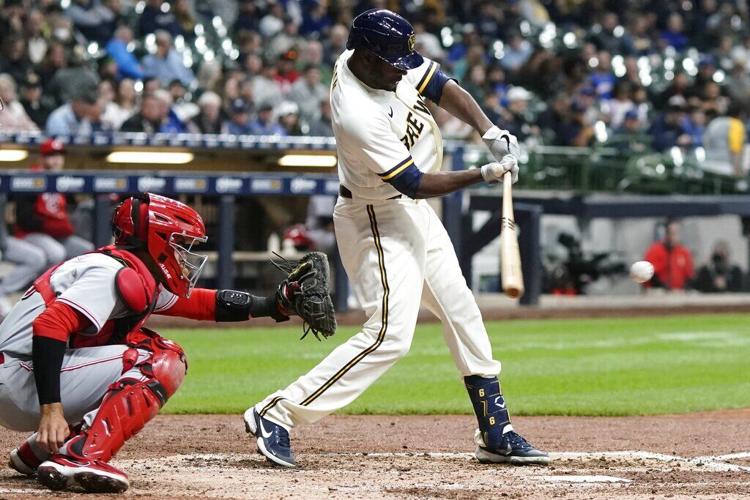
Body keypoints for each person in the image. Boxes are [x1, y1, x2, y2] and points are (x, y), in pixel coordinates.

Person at [245, 9, 547, 469]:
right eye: (393, 65)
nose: (402, 71)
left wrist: (489, 132)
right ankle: (277, 412)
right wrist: (484, 173)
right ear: (366, 58)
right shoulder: (356, 113)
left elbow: (441, 85)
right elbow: (415, 182)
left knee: (460, 309)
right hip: (377, 215)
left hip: (410, 211)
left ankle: (495, 429)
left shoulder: (380, 59)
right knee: (390, 334)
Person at [0, 193, 311, 493]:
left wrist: (276, 304)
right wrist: (51, 410)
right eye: (178, 243)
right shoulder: (111, 272)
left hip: (19, 377)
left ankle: (40, 451)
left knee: (140, 345)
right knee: (159, 358)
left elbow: (203, 304)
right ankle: (82, 455)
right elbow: (50, 325)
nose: (183, 253)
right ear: (156, 240)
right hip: (22, 378)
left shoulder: (133, 268)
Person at [14, 139, 95, 267]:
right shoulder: (31, 179)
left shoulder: (62, 181)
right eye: (51, 156)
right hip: (32, 234)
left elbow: (73, 205)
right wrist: (50, 226)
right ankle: (40, 285)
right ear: (41, 159)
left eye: (59, 155)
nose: (57, 160)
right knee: (57, 253)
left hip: (56, 235)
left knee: (89, 251)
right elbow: (24, 218)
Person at [643, 219, 694, 291]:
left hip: (678, 293)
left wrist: (684, 289)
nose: (674, 236)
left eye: (677, 233)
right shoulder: (654, 251)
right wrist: (663, 287)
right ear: (666, 234)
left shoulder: (684, 252)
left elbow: (689, 276)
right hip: (657, 292)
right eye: (672, 233)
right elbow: (648, 274)